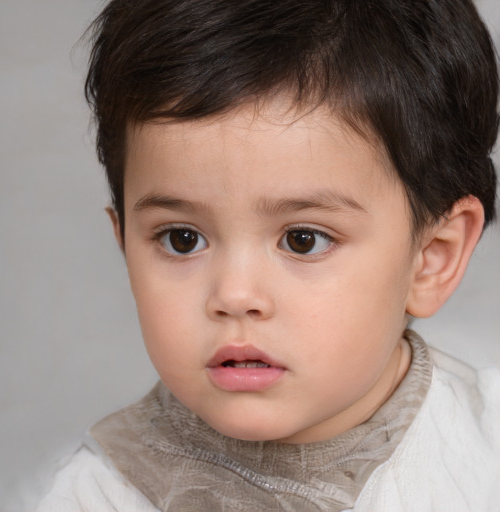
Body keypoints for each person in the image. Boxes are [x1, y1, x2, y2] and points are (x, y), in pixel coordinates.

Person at [36, 0, 500, 510]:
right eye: (181, 239)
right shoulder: (98, 495)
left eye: (303, 239)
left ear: (432, 257)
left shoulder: (484, 455)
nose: (235, 295)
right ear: (125, 245)